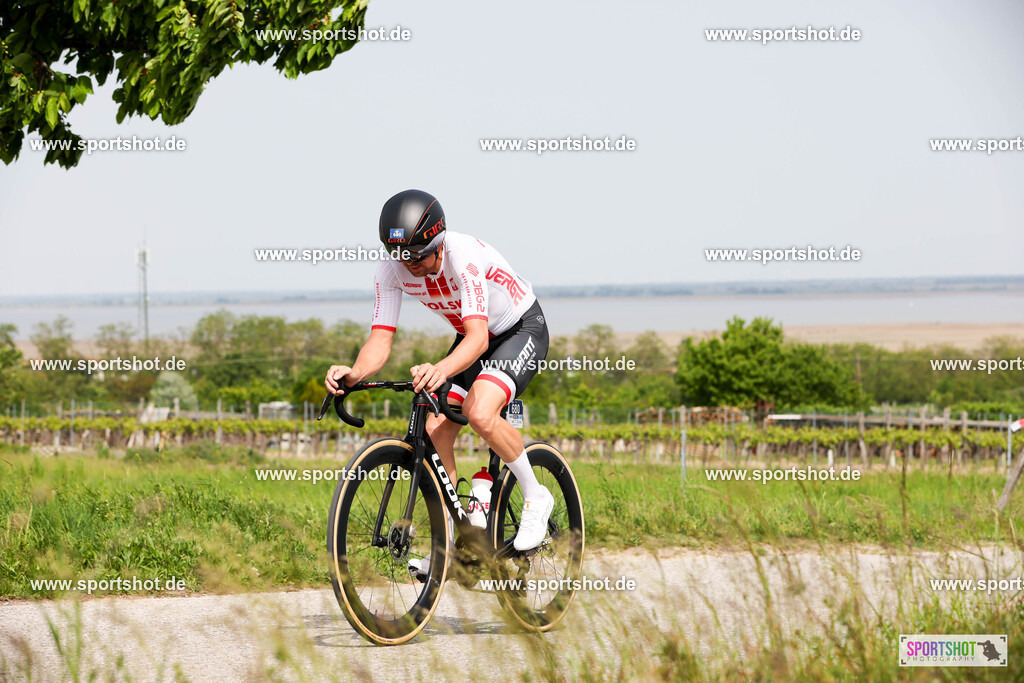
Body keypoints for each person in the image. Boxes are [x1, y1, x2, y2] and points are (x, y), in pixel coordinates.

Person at [324, 189, 553, 571]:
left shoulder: (463, 257)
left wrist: (441, 369)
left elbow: (480, 338)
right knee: (434, 431)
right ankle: (448, 546)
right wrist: (355, 373)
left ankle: (536, 495)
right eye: (400, 256)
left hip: (518, 328)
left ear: (438, 240)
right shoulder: (390, 269)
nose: (408, 265)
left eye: (416, 255)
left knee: (479, 411)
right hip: (473, 337)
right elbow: (380, 339)